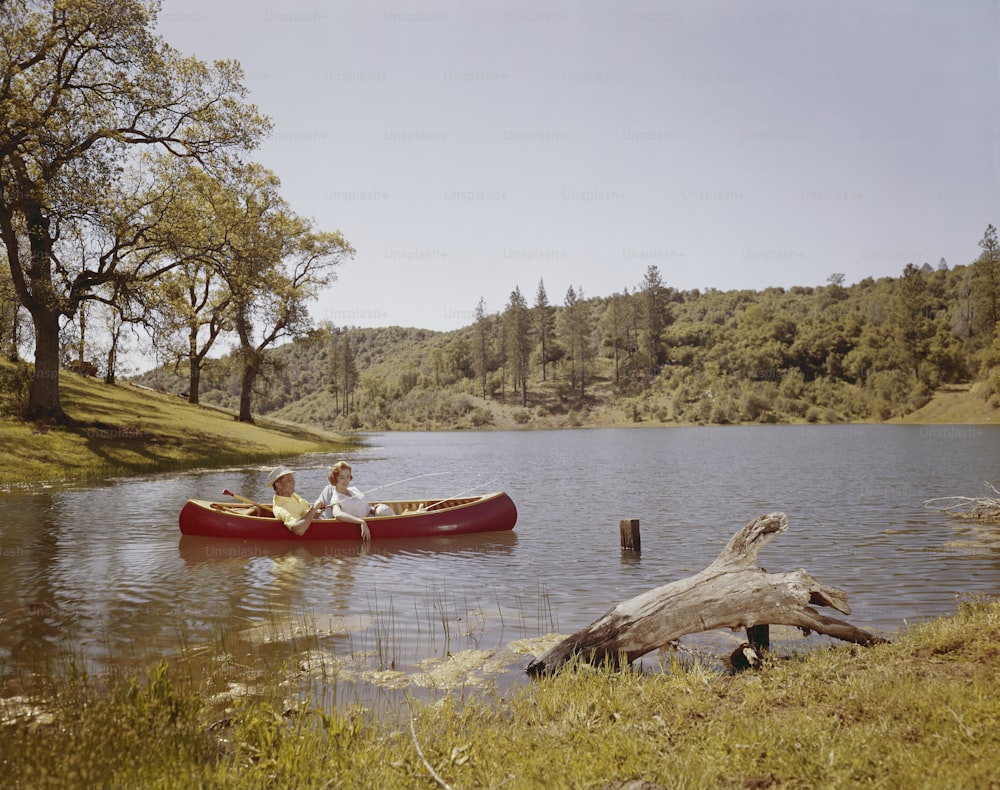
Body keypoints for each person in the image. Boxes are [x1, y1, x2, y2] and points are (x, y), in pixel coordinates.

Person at [317, 461, 391, 541]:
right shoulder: (336, 498)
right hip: (365, 521)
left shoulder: (353, 490)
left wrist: (372, 508)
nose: (345, 481)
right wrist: (361, 522)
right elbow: (337, 514)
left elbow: (364, 505)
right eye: (342, 478)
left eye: (348, 477)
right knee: (383, 510)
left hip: (372, 515)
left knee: (382, 508)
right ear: (335, 478)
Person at [266, 465, 327, 538]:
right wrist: (313, 509)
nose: (293, 482)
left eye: (293, 479)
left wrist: (314, 511)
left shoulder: (291, 495)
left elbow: (307, 507)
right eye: (289, 480)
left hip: (320, 518)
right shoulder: (282, 508)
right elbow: (299, 531)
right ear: (278, 485)